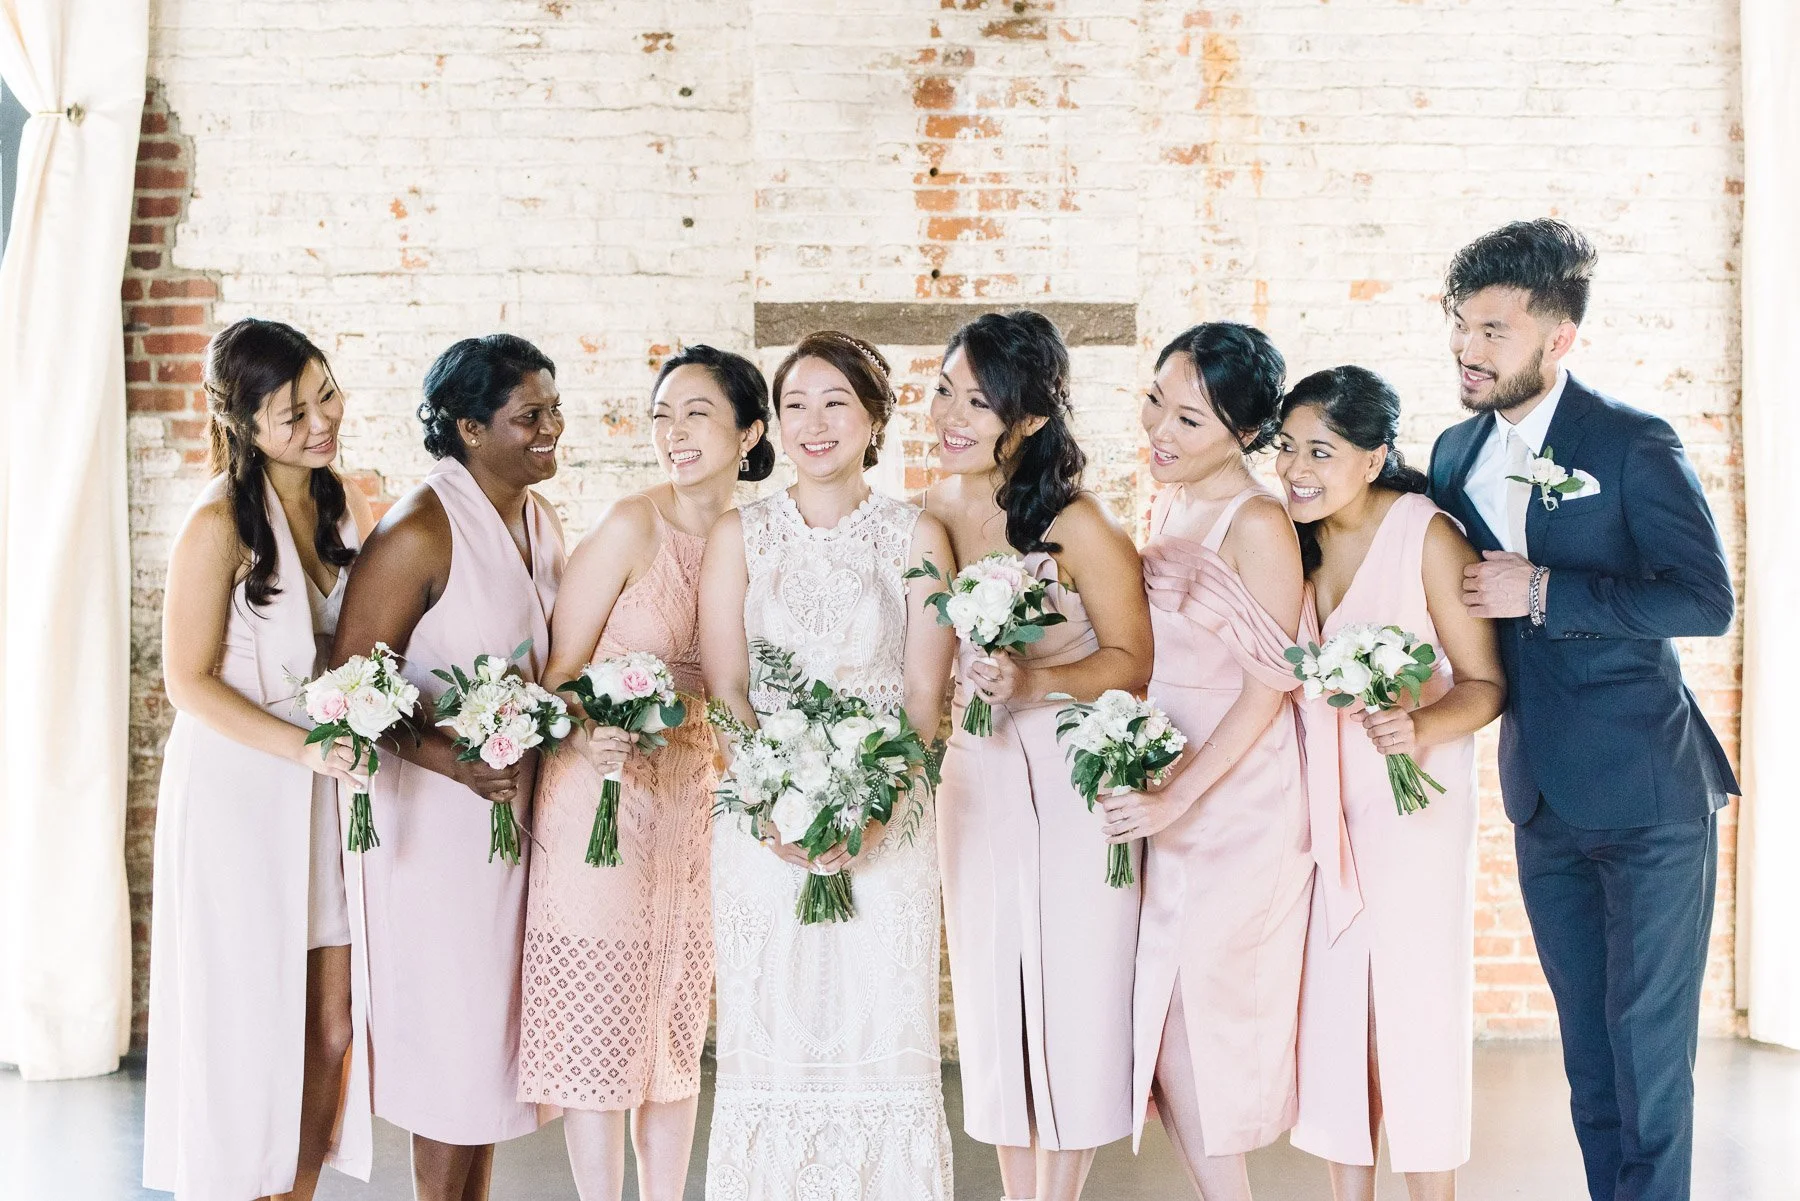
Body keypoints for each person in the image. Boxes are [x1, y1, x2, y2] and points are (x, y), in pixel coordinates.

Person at [1427, 219, 1736, 1201]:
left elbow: (1704, 598)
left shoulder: (1632, 444)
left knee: (1648, 1064)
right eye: (1459, 324)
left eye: (1493, 330)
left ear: (1558, 340)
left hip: (1650, 797)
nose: (1468, 349)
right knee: (1591, 1063)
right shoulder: (1452, 452)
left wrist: (1549, 592)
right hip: (1544, 801)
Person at [698, 330, 959, 1200]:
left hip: (888, 816)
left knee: (875, 1032)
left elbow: (926, 700)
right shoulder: (743, 533)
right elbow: (728, 685)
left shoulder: (916, 533)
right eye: (795, 404)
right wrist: (768, 797)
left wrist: (880, 808)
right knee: (773, 1032)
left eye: (835, 402)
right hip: (762, 827)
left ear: (874, 416)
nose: (813, 423)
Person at [518, 345, 771, 1201]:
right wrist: (587, 736)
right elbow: (554, 679)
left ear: (749, 432)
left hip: (696, 807)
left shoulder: (757, 540)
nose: (673, 432)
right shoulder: (633, 526)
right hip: (604, 800)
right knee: (602, 1028)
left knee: (673, 1027)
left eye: (696, 412)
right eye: (662, 414)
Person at [330, 334, 566, 1201]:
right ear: (469, 426)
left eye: (552, 409)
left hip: (511, 818)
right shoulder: (421, 527)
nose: (552, 428)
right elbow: (350, 681)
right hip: (433, 829)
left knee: (492, 1055)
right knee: (455, 1045)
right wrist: (449, 759)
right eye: (528, 416)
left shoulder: (541, 519)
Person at [144, 318, 375, 1201]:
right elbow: (186, 681)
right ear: (243, 423)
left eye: (325, 393)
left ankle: (296, 1191)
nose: (320, 421)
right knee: (247, 1024)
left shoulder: (340, 499)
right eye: (291, 413)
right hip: (239, 795)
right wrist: (308, 746)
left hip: (323, 793)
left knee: (332, 1023)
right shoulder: (214, 522)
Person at [927, 310, 1155, 1201]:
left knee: (1073, 995)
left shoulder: (1077, 523)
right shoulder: (934, 511)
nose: (949, 413)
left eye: (977, 402)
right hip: (973, 777)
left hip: (1071, 776)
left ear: (1026, 420)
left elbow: (1134, 661)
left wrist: (1032, 685)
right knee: (995, 997)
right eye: (946, 388)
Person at [1277, 366, 1505, 1201]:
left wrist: (1417, 726)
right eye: (1287, 447)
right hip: (1323, 802)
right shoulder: (1290, 536)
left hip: (1415, 804)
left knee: (1414, 1004)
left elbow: (1485, 682)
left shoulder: (1425, 535)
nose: (1297, 467)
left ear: (1373, 459)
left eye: (1321, 451)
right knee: (1336, 1014)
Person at [1098, 323, 1310, 1201]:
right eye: (1157, 402)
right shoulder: (1171, 498)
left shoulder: (1257, 522)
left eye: (1190, 419)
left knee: (1201, 1026)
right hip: (1169, 783)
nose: (1162, 431)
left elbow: (1270, 687)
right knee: (1165, 1019)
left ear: (1245, 434)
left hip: (1237, 798)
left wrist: (1179, 795)